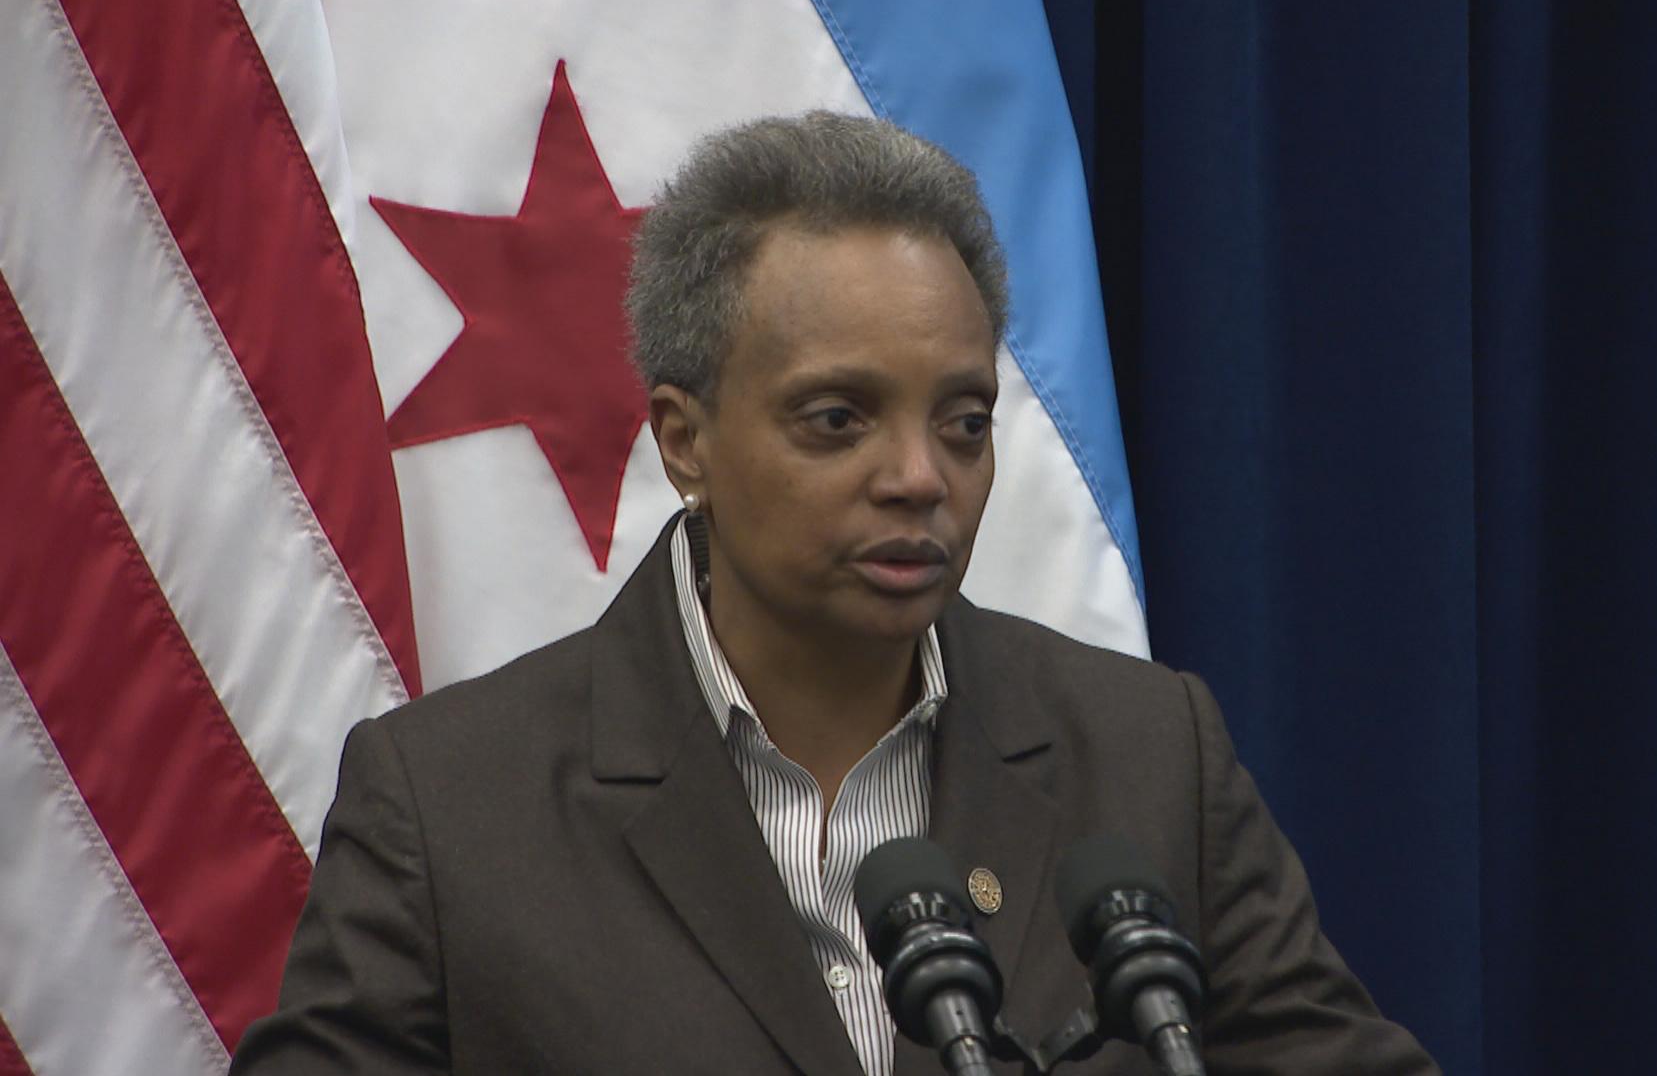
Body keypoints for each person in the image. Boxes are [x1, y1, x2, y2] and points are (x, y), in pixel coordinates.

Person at [230, 112, 1438, 1075]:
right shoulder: (448, 809)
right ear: (684, 440)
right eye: (838, 420)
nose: (921, 478)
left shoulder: (1144, 750)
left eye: (964, 423)